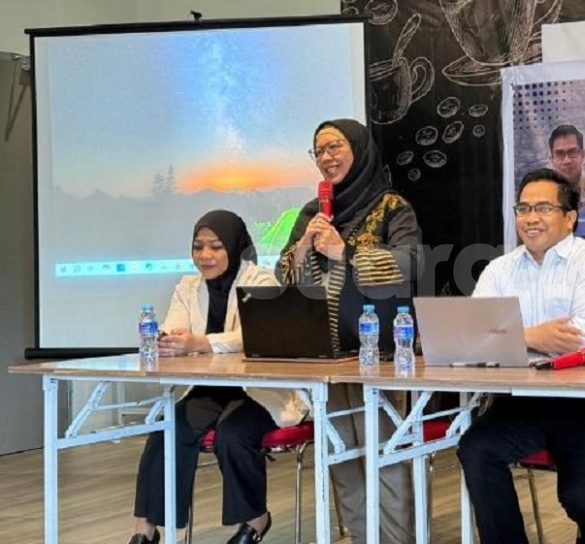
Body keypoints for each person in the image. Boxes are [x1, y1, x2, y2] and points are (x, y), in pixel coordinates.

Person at [458, 167, 585, 544]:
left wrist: (504, 337)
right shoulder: (499, 269)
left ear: (570, 217)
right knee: (476, 449)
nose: (530, 218)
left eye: (543, 208)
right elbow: (469, 336)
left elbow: (581, 342)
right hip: (522, 399)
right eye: (523, 208)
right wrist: (533, 336)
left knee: (582, 497)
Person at [275, 118, 421, 543]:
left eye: (334, 146)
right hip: (327, 356)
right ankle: (360, 537)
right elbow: (282, 277)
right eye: (318, 151)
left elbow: (410, 264)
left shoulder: (392, 206)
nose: (326, 157)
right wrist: (303, 246)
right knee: (340, 455)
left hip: (381, 356)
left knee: (385, 453)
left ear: (359, 149)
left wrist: (346, 251)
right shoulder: (311, 212)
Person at [127, 210, 300, 544]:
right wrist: (169, 340)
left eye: (216, 247)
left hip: (259, 391)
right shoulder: (187, 286)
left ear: (234, 247)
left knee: (232, 434)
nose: (205, 255)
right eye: (198, 247)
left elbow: (256, 334)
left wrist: (200, 343)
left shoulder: (261, 280)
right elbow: (175, 327)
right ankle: (145, 529)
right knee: (168, 429)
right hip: (209, 388)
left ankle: (256, 519)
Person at [548, 124, 585, 211]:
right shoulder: (540, 196)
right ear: (551, 159)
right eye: (560, 154)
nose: (567, 161)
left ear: (583, 155)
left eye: (572, 152)